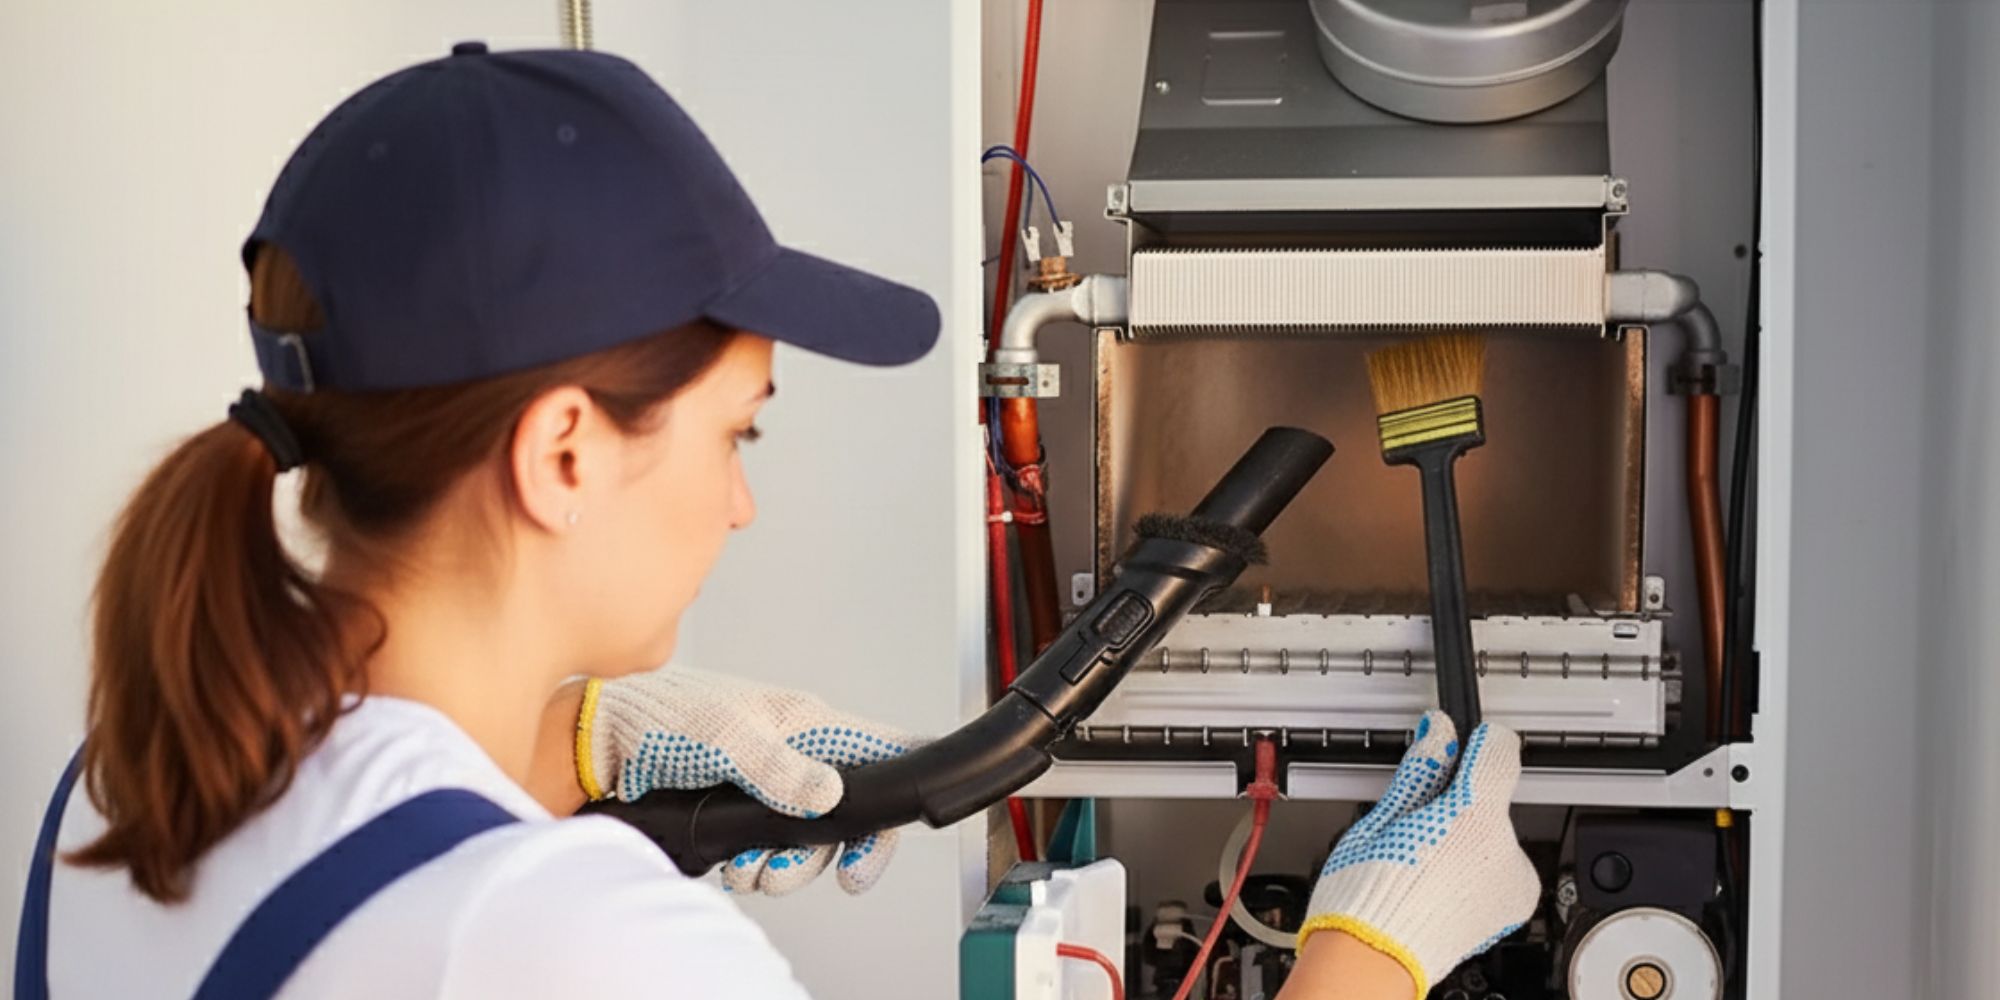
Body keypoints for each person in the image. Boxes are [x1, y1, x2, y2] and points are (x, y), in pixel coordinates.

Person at [13, 44, 1538, 1000]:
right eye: (737, 432)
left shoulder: (136, 775)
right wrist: (1367, 957)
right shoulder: (571, 943)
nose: (742, 504)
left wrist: (584, 737)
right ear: (561, 452)